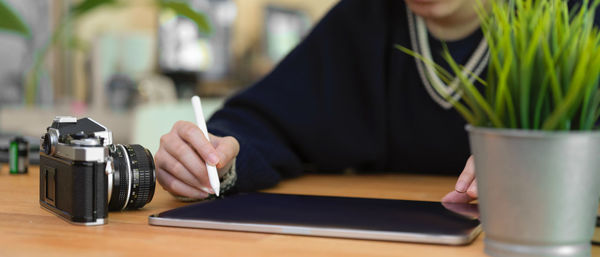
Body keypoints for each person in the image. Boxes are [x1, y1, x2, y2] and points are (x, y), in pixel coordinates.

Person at [153, 0, 573, 202]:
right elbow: (264, 121)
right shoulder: (362, 20)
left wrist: (551, 160)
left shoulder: (571, 19)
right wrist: (216, 158)